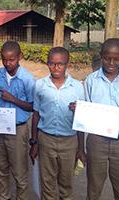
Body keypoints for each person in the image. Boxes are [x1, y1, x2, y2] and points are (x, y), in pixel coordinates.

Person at [29, 47, 86, 200]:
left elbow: (81, 120)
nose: (56, 67)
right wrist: (34, 142)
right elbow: (36, 115)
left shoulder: (77, 87)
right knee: (47, 183)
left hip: (69, 141)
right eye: (52, 63)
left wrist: (80, 148)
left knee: (66, 184)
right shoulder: (40, 85)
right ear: (47, 64)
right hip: (46, 139)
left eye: (60, 64)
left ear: (67, 64)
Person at [84, 38, 119, 200]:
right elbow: (85, 112)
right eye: (107, 58)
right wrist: (79, 109)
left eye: (116, 58)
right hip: (97, 142)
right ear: (101, 56)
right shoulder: (91, 81)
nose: (111, 62)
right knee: (93, 189)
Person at [0, 41, 35, 200]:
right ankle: (4, 197)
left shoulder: (27, 79)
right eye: (4, 59)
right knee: (1, 168)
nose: (7, 63)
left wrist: (14, 99)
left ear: (20, 57)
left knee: (19, 170)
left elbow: (32, 107)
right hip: (0, 126)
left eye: (11, 59)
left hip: (18, 129)